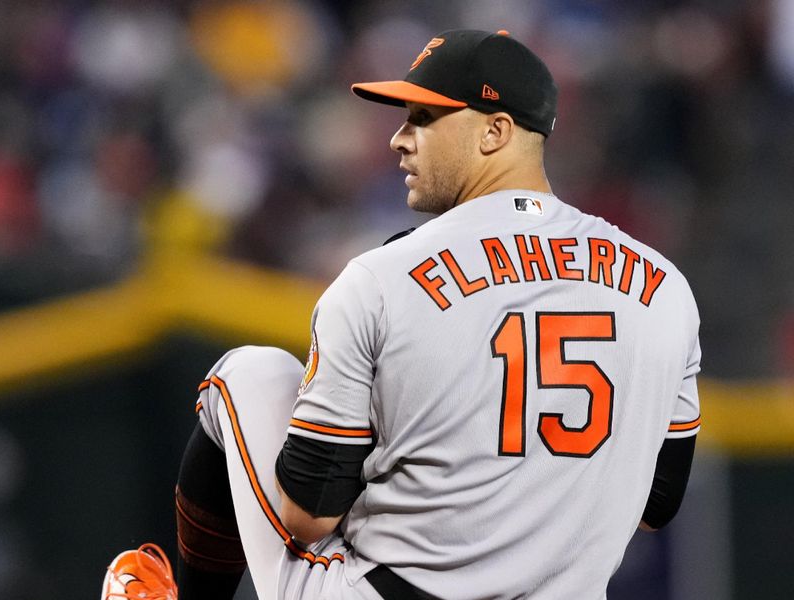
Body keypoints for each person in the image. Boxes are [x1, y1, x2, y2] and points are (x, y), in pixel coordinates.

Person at [101, 29, 701, 600]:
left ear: (494, 132)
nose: (399, 138)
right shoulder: (666, 287)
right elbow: (657, 506)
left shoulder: (383, 278)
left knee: (248, 374)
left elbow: (308, 517)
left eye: (424, 117)